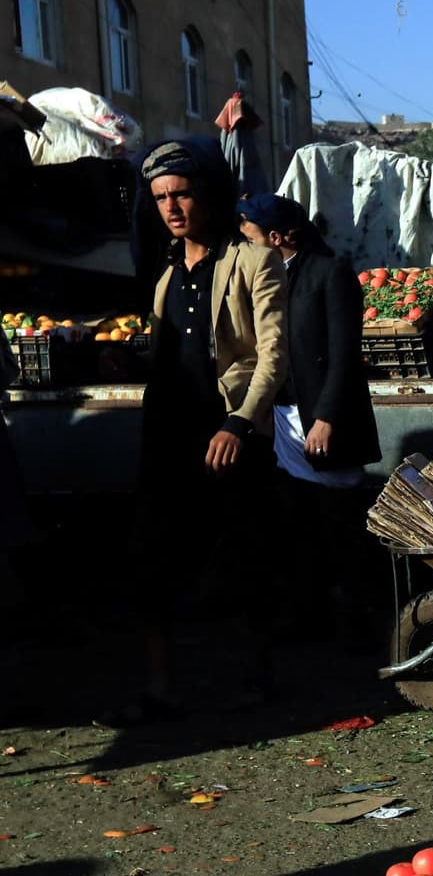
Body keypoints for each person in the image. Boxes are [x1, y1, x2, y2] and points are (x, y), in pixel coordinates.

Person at [105, 139, 288, 723]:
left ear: (206, 193)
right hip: (169, 436)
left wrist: (239, 421)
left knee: (246, 557)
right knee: (151, 560)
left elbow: (273, 353)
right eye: (160, 197)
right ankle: (161, 691)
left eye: (181, 193)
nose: (171, 207)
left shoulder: (254, 261)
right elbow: (170, 356)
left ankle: (255, 682)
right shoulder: (165, 275)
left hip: (230, 435)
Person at [236, 192, 382, 638]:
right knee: (297, 522)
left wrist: (326, 417)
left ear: (277, 237)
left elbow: (343, 355)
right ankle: (308, 615)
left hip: (319, 417)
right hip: (283, 417)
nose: (245, 247)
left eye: (252, 237)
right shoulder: (267, 278)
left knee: (337, 522)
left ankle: (353, 619)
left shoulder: (328, 273)